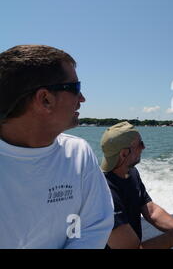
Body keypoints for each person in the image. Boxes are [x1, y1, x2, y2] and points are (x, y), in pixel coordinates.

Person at [0, 45, 114, 249]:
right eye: (76, 88)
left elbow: (93, 227)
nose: (82, 99)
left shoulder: (79, 153)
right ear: (45, 99)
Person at [100, 122, 173, 249]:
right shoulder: (103, 192)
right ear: (124, 153)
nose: (144, 147)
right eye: (140, 144)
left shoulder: (131, 173)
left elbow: (152, 212)